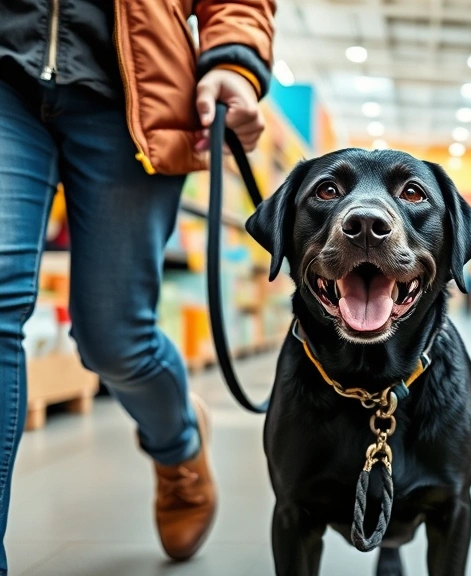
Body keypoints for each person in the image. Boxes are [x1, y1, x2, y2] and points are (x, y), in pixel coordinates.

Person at [0, 0, 275, 571]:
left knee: (114, 337)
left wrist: (236, 58)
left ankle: (178, 444)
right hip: (7, 72)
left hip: (130, 90)